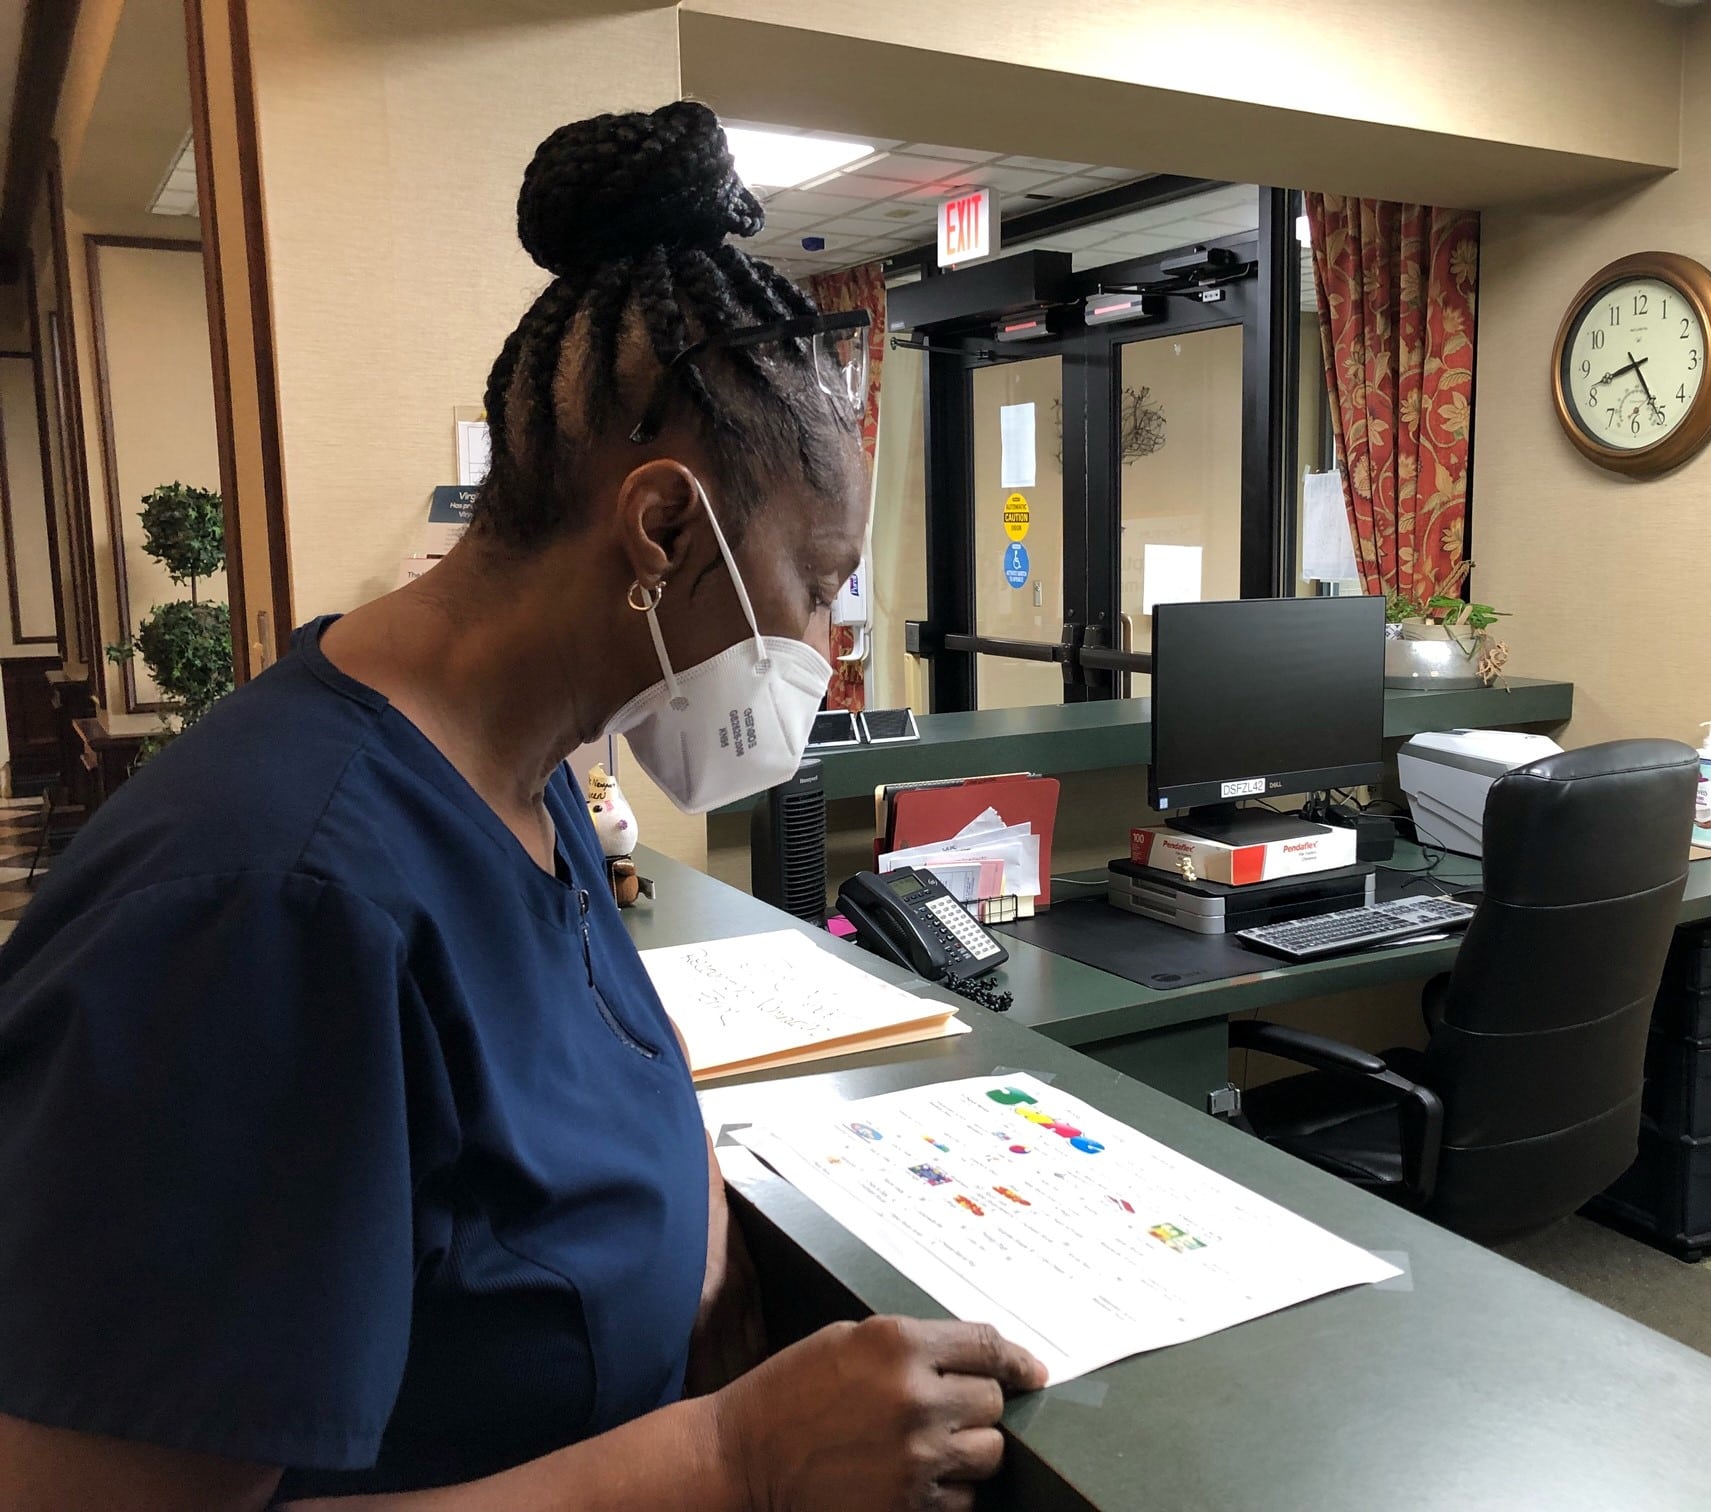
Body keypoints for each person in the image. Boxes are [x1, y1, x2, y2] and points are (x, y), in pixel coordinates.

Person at [0, 102, 1043, 1512]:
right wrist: (728, 1460)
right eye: (817, 581)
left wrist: (697, 1237)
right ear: (662, 529)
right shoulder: (272, 903)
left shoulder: (520, 774)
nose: (827, 646)